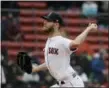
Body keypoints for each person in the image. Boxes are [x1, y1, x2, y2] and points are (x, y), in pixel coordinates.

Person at [18, 12, 98, 87]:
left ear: (56, 24)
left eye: (48, 21)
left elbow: (76, 43)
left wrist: (88, 28)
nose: (44, 22)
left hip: (71, 83)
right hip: (63, 83)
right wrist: (36, 68)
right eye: (45, 20)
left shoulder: (61, 41)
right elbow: (52, 62)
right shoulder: (49, 41)